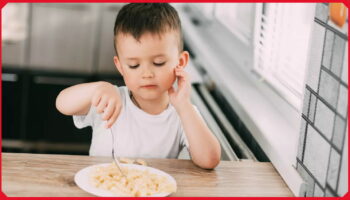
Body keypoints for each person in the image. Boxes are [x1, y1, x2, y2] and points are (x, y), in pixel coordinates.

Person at [56, 3, 221, 169]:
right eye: (134, 65)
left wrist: (184, 106)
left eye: (159, 63)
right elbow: (62, 104)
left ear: (180, 62)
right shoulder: (108, 99)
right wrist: (97, 88)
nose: (147, 74)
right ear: (120, 66)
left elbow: (209, 160)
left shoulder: (182, 114)